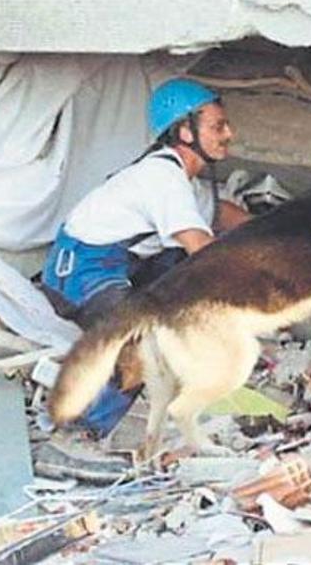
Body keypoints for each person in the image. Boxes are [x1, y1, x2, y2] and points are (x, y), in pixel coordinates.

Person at [41, 79, 250, 437]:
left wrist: (285, 232)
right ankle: (78, 436)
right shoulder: (162, 178)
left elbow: (224, 214)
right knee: (147, 349)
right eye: (217, 126)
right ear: (185, 132)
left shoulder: (184, 185)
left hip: (111, 268)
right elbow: (201, 247)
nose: (229, 133)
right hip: (80, 272)